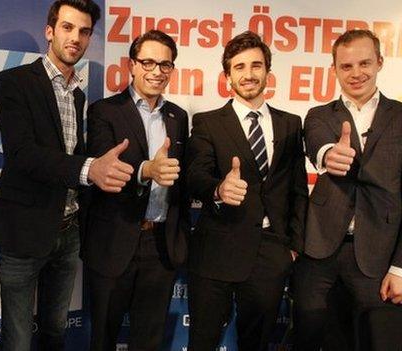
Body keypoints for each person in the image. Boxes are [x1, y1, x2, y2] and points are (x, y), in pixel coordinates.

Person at [0, 1, 134, 350]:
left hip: (68, 232)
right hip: (24, 230)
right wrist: (89, 168)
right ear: (50, 31)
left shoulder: (80, 94)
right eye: (67, 28)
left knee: (55, 330)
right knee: (18, 339)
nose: (76, 38)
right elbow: (22, 154)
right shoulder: (14, 82)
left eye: (84, 31)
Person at [186, 31, 308, 351]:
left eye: (256, 65)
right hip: (216, 248)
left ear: (268, 72)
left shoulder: (291, 124)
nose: (248, 74)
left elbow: (297, 188)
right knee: (203, 340)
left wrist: (291, 246)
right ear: (228, 76)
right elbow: (195, 175)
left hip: (270, 252)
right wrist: (218, 189)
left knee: (257, 342)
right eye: (239, 67)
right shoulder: (208, 122)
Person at [293, 29, 402, 350]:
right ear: (334, 70)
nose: (356, 74)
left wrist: (400, 267)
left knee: (376, 341)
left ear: (380, 62)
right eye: (346, 66)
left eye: (364, 63)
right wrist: (329, 154)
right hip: (318, 251)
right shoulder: (319, 115)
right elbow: (317, 144)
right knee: (310, 337)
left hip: (377, 257)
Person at [84, 29, 189, 350]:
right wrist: (147, 170)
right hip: (114, 241)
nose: (156, 71)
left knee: (149, 340)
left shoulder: (178, 117)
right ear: (132, 65)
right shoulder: (105, 110)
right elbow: (104, 165)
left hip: (160, 245)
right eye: (148, 62)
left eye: (165, 65)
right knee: (104, 336)